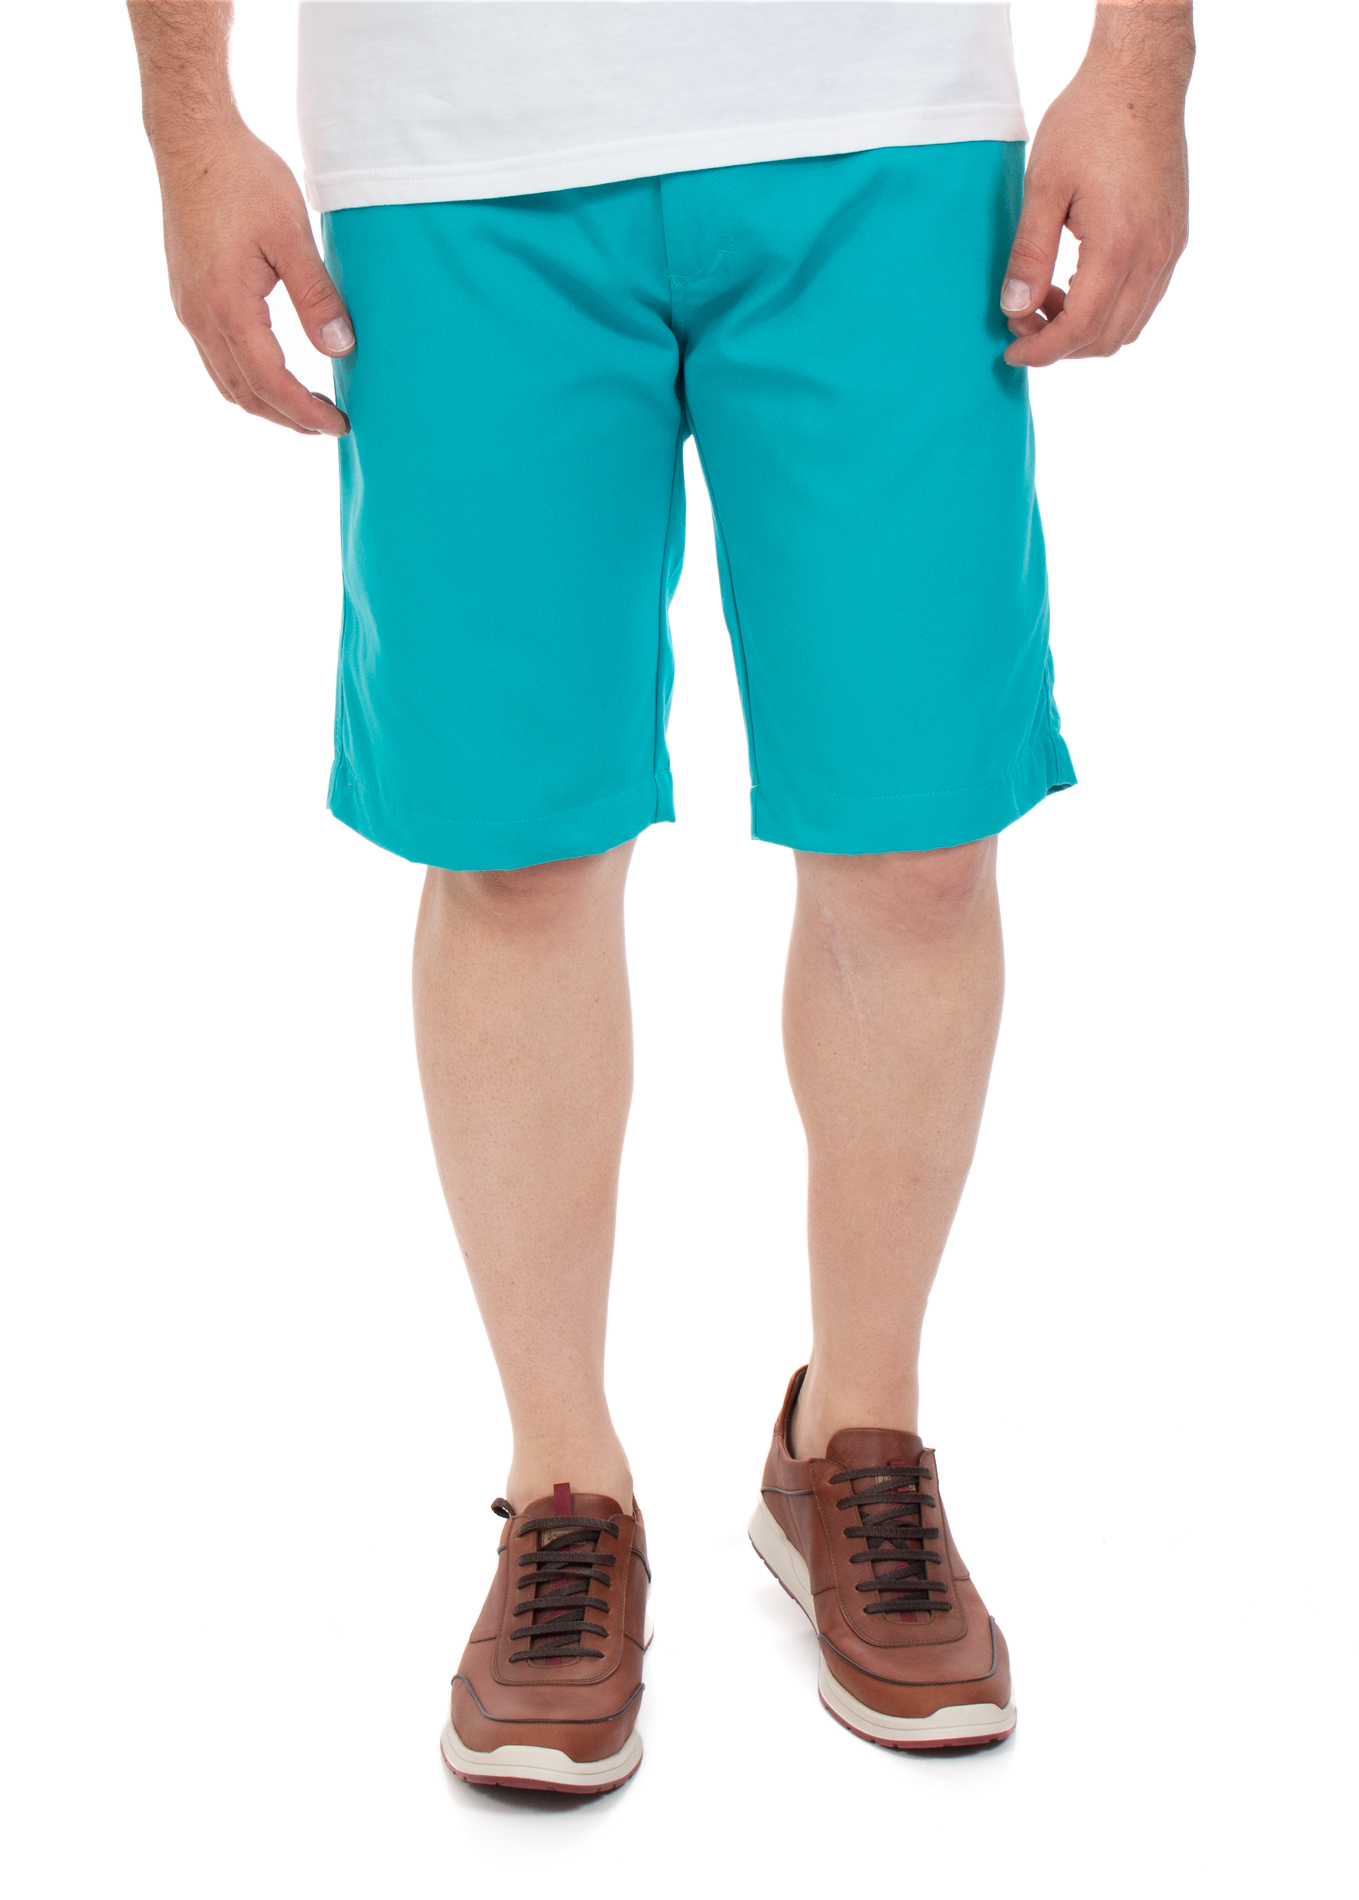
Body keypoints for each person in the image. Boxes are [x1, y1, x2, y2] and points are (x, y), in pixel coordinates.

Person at [127, 0, 1193, 1793]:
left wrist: (1143, 60)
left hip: (886, 128)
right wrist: (189, 126)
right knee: (513, 850)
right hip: (454, 156)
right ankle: (565, 1486)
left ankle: (854, 1442)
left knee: (920, 840)